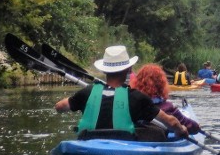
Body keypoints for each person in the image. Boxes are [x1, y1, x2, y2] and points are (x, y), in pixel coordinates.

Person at [54, 45, 189, 141]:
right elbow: (170, 121)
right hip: (123, 145)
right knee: (157, 133)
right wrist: (181, 130)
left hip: (89, 141)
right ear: (129, 69)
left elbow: (59, 107)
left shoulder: (87, 92)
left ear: (104, 70)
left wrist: (78, 100)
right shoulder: (137, 97)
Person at [131, 64, 202, 135]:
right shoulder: (168, 108)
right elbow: (193, 128)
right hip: (159, 139)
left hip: (134, 138)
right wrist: (197, 127)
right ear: (161, 84)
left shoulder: (131, 104)